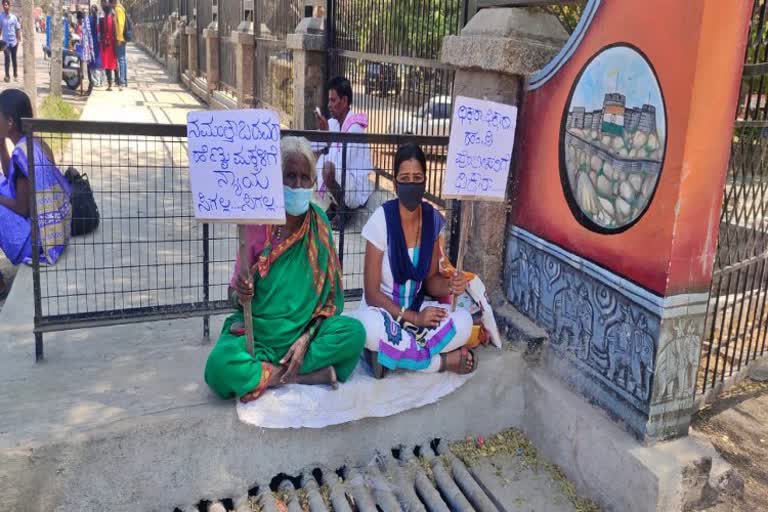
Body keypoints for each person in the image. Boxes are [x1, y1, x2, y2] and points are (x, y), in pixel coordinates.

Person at [204, 136, 366, 403]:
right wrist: (241, 293)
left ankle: (266, 373)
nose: (298, 185)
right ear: (277, 179)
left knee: (354, 334)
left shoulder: (320, 223)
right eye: (290, 176)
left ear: (314, 182)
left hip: (304, 335)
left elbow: (330, 303)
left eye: (305, 177)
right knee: (219, 367)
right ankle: (297, 375)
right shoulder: (256, 225)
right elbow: (232, 297)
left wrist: (306, 338)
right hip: (258, 335)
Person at [354, 143, 476, 377]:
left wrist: (451, 284)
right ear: (396, 180)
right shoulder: (381, 220)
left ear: (425, 180)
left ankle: (391, 358)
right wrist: (414, 318)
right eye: (405, 178)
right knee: (367, 328)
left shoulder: (432, 220)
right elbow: (371, 294)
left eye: (417, 178)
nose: (411, 184)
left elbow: (430, 281)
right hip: (383, 311)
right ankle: (441, 362)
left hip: (417, 306)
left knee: (464, 322)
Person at [0, 89, 71, 278]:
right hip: (56, 232)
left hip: (36, 242)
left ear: (10, 122)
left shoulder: (23, 154)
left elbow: (22, 209)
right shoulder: (33, 143)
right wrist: (1, 144)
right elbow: (11, 178)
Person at [314, 76, 373, 227]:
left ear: (345, 101)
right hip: (343, 181)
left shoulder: (355, 129)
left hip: (356, 189)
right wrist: (323, 135)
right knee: (317, 160)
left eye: (333, 101)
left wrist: (326, 140)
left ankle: (344, 211)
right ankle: (335, 205)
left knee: (327, 167)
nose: (328, 105)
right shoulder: (333, 123)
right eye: (329, 100)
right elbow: (317, 147)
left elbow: (340, 163)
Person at [98, 0, 118, 91]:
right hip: (112, 44)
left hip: (105, 45)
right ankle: (117, 81)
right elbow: (115, 31)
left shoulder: (102, 19)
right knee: (114, 63)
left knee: (107, 64)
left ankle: (110, 84)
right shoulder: (113, 17)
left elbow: (99, 31)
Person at [0, 0, 21, 83]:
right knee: (7, 58)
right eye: (4, 5)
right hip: (5, 42)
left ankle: (15, 75)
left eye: (7, 5)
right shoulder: (1, 16)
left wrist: (19, 39)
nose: (5, 6)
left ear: (9, 5)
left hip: (14, 42)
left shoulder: (14, 17)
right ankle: (7, 76)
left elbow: (17, 28)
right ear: (2, 6)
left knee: (14, 59)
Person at [112, 0, 127, 88]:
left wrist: (119, 38)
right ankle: (124, 79)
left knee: (121, 59)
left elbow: (120, 24)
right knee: (123, 59)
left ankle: (122, 80)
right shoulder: (121, 8)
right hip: (122, 38)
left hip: (120, 38)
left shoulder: (118, 9)